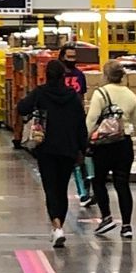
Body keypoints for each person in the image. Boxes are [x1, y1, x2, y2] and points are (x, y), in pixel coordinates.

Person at [16, 59, 89, 248]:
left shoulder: (40, 93)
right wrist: (83, 148)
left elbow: (22, 108)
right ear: (63, 76)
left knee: (50, 188)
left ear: (46, 75)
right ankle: (59, 227)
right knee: (62, 189)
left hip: (46, 147)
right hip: (68, 148)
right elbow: (81, 123)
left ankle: (56, 226)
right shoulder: (73, 97)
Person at [84, 59, 136, 238]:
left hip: (103, 145)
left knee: (98, 180)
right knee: (122, 184)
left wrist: (84, 142)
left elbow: (91, 120)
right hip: (123, 144)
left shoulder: (100, 94)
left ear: (105, 75)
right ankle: (126, 226)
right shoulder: (131, 95)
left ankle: (106, 217)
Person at [55, 43, 95, 208]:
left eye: (74, 57)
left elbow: (82, 97)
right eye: (69, 57)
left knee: (82, 154)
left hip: (77, 120)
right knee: (70, 159)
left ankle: (87, 191)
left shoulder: (80, 75)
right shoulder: (57, 75)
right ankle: (80, 192)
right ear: (62, 57)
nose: (72, 60)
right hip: (61, 121)